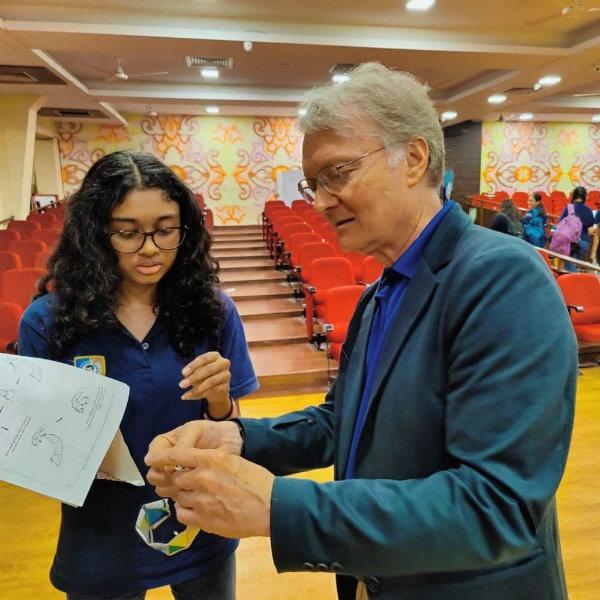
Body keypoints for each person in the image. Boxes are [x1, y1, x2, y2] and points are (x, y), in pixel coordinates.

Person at [145, 63, 576, 600]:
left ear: (414, 159)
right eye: (313, 183)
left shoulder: (499, 276)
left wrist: (280, 509)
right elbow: (343, 419)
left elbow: (498, 507)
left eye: (338, 173)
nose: (320, 200)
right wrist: (238, 438)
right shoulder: (383, 290)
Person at [18, 151, 258, 599]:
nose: (149, 248)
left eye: (165, 230)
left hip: (199, 520)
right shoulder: (48, 322)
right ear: (95, 234)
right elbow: (41, 452)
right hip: (101, 538)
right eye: (128, 233)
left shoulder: (212, 311)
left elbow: (229, 431)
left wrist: (222, 400)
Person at [558, 186, 594, 271]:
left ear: (573, 195)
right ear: (584, 197)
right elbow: (590, 229)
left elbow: (559, 225)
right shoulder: (589, 210)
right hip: (585, 243)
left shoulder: (568, 208)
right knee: (580, 270)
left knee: (569, 271)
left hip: (570, 242)